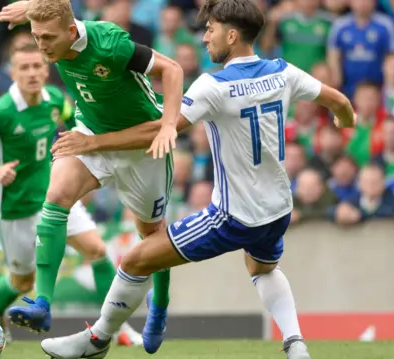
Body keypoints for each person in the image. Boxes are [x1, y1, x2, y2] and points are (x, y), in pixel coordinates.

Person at [42, 0, 357, 358]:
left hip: (232, 216)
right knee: (263, 268)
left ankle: (96, 341)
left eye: (211, 30)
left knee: (134, 261)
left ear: (233, 34)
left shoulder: (213, 86)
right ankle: (295, 344)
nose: (204, 37)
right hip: (278, 209)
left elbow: (158, 131)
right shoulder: (282, 72)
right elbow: (340, 102)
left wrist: (92, 142)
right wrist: (345, 122)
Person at [0, 0, 184, 352]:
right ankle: (42, 304)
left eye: (48, 38)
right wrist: (33, 10)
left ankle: (158, 306)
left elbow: (172, 70)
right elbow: (56, 14)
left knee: (151, 237)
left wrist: (169, 125)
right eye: (36, 37)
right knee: (57, 197)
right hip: (90, 134)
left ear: (70, 32)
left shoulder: (110, 43)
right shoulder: (56, 33)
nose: (41, 46)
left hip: (142, 144)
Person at [0, 42, 142, 346]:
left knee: (97, 250)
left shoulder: (54, 99)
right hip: (15, 208)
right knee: (22, 281)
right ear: (13, 73)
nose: (32, 73)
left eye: (37, 66)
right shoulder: (0, 112)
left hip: (55, 197)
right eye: (24, 67)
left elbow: (71, 121)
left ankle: (116, 327)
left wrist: (80, 161)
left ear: (46, 69)